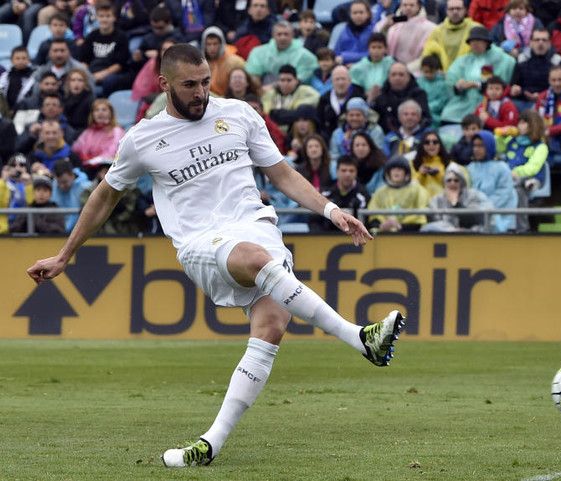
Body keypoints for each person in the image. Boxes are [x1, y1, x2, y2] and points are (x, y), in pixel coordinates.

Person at [27, 44, 405, 468]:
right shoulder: (142, 139)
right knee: (255, 260)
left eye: (206, 82)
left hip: (256, 225)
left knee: (273, 323)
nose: (201, 92)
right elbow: (103, 199)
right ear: (164, 84)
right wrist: (65, 255)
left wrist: (331, 210)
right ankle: (360, 337)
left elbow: (281, 173)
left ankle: (210, 444)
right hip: (202, 242)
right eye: (190, 85)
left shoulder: (239, 114)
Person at [441, 26, 516, 124]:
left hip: (488, 102)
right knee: (447, 115)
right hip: (464, 103)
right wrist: (459, 85)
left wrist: (475, 84)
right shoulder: (464, 60)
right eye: (472, 41)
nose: (475, 44)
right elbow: (453, 85)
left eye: (478, 40)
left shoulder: (498, 59)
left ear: (486, 42)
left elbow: (497, 83)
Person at [495, 108, 548, 230]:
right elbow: (496, 148)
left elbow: (533, 168)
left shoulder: (541, 146)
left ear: (533, 125)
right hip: (509, 177)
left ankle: (522, 228)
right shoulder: (511, 141)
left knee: (518, 188)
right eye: (519, 122)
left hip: (531, 179)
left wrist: (516, 172)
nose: (519, 126)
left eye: (524, 123)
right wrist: (501, 135)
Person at [466, 130, 518, 232]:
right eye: (475, 146)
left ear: (489, 146)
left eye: (481, 146)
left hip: (499, 213)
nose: (476, 149)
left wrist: (485, 207)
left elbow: (504, 193)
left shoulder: (502, 168)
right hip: (475, 213)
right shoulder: (470, 168)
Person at [420, 162, 494, 232]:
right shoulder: (437, 199)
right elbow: (433, 222)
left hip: (466, 236)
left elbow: (475, 221)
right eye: (449, 180)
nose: (452, 183)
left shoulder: (472, 195)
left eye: (456, 180)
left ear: (462, 182)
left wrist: (455, 203)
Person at [245, 20, 319, 87]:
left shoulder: (306, 56)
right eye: (279, 34)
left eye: (286, 34)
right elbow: (253, 77)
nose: (282, 38)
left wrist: (272, 87)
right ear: (273, 36)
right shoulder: (258, 52)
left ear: (292, 36)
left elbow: (300, 79)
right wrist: (259, 90)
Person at [367, 153, 430, 232]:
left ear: (406, 173)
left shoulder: (418, 190)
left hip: (411, 235)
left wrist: (400, 227)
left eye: (400, 169)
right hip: (383, 235)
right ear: (388, 172)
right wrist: (382, 225)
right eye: (393, 168)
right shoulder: (379, 192)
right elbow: (372, 216)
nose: (396, 171)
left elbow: (421, 217)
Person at [79, 2, 131, 97]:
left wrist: (102, 74)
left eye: (108, 16)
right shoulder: (91, 36)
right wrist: (86, 75)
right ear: (97, 18)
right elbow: (84, 61)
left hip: (111, 73)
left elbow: (119, 64)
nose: (104, 19)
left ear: (114, 17)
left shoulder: (121, 37)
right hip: (92, 71)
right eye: (101, 16)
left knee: (108, 81)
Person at [310, 156, 371, 232]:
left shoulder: (363, 195)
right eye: (343, 170)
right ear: (337, 171)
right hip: (326, 236)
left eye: (351, 171)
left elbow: (365, 223)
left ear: (356, 172)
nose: (347, 174)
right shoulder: (326, 192)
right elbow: (314, 220)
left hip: (353, 237)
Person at [509, 27, 561, 113]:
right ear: (531, 42)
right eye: (537, 40)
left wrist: (541, 96)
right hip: (524, 101)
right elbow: (514, 84)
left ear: (549, 43)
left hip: (549, 102)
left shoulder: (557, 61)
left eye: (544, 40)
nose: (540, 43)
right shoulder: (521, 59)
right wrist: (518, 90)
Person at [80, 159, 139, 234]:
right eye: (104, 172)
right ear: (99, 173)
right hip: (97, 231)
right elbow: (85, 208)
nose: (107, 175)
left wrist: (119, 216)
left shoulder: (126, 189)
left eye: (109, 171)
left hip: (122, 230)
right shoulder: (89, 191)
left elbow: (131, 208)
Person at [422, 0, 483, 73]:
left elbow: (486, 56)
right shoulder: (437, 31)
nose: (455, 12)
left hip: (471, 75)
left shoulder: (476, 29)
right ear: (446, 11)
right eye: (451, 9)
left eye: (458, 9)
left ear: (465, 10)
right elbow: (427, 54)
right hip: (444, 76)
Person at [376, 0, 436, 73]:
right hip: (393, 69)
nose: (408, 8)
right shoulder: (394, 24)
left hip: (416, 71)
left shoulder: (430, 27)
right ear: (400, 6)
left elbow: (427, 54)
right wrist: (386, 28)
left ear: (419, 7)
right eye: (405, 5)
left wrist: (407, 69)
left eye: (411, 5)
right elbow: (380, 43)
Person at [372, 62, 432, 134]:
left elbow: (426, 119)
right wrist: (371, 101)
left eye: (401, 75)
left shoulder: (418, 94)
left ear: (408, 77)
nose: (397, 78)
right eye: (394, 75)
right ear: (389, 77)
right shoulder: (382, 95)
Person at [260, 64, 320, 133]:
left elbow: (313, 102)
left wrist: (294, 108)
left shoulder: (306, 91)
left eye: (289, 80)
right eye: (282, 80)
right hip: (273, 132)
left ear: (296, 80)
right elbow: (267, 113)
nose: (285, 83)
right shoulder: (270, 94)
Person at [316, 65, 366, 142]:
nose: (340, 83)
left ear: (350, 80)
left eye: (343, 79)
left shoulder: (359, 95)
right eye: (337, 79)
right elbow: (320, 124)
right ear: (332, 82)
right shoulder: (324, 99)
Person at [72, 98, 126, 169]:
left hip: (107, 167)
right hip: (87, 166)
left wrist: (94, 160)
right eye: (96, 110)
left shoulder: (117, 131)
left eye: (104, 110)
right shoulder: (88, 132)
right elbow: (76, 149)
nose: (100, 113)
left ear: (111, 113)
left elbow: (112, 153)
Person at [329, 97, 385, 162]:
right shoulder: (337, 133)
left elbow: (379, 154)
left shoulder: (376, 131)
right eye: (351, 115)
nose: (354, 118)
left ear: (365, 117)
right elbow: (334, 156)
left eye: (358, 115)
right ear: (346, 116)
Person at [201, 25, 245, 97]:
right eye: (208, 44)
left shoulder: (235, 62)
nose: (212, 48)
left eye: (215, 44)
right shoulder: (200, 64)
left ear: (221, 44)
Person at [349, 33, 395, 98]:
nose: (376, 51)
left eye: (379, 47)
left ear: (385, 49)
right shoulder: (359, 67)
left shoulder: (391, 63)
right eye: (373, 47)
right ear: (368, 49)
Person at [408, 130, 452, 198]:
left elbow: (455, 185)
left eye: (435, 142)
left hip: (442, 204)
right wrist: (421, 174)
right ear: (422, 145)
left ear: (440, 145)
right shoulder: (413, 164)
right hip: (420, 204)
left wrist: (438, 175)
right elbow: (409, 188)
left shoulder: (449, 163)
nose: (431, 144)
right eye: (427, 142)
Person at [333, 0, 375, 67]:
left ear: (368, 14)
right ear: (350, 14)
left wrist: (345, 58)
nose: (358, 16)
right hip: (344, 68)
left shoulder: (375, 30)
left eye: (361, 12)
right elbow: (336, 54)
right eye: (355, 13)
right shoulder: (344, 31)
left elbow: (374, 54)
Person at [0, 155, 34, 234]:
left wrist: (28, 184)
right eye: (13, 165)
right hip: (4, 229)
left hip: (24, 228)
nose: (17, 168)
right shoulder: (2, 183)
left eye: (21, 165)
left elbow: (33, 204)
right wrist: (3, 180)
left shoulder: (31, 183)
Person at [417, 55, 449, 130]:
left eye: (431, 72)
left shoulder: (442, 84)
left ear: (437, 70)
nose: (428, 75)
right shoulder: (418, 82)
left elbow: (442, 101)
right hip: (419, 114)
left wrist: (426, 108)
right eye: (426, 72)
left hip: (435, 116)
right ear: (421, 70)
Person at [0, 46, 34, 115]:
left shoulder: (33, 76)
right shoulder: (6, 75)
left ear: (29, 60)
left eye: (24, 58)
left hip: (25, 110)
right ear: (12, 60)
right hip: (6, 110)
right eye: (17, 58)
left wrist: (15, 109)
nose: (20, 61)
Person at [62, 67, 95, 135]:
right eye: (73, 80)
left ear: (85, 83)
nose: (76, 83)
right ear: (68, 83)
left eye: (80, 80)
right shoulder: (63, 98)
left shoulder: (90, 100)